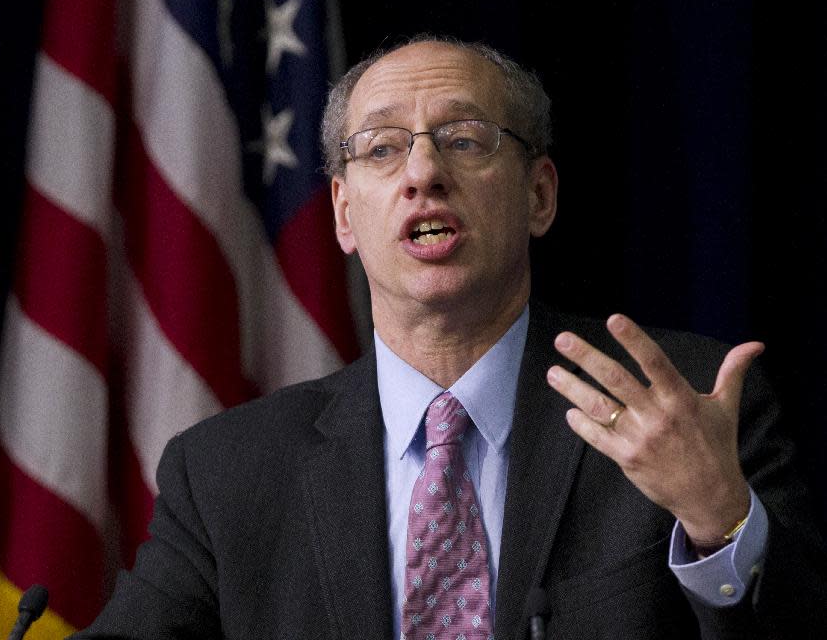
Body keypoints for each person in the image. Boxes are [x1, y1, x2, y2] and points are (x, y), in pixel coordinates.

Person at [75, 36, 827, 639]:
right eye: (381, 148)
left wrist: (717, 519)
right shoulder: (228, 473)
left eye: (464, 141)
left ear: (538, 195)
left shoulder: (680, 407)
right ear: (343, 214)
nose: (423, 171)